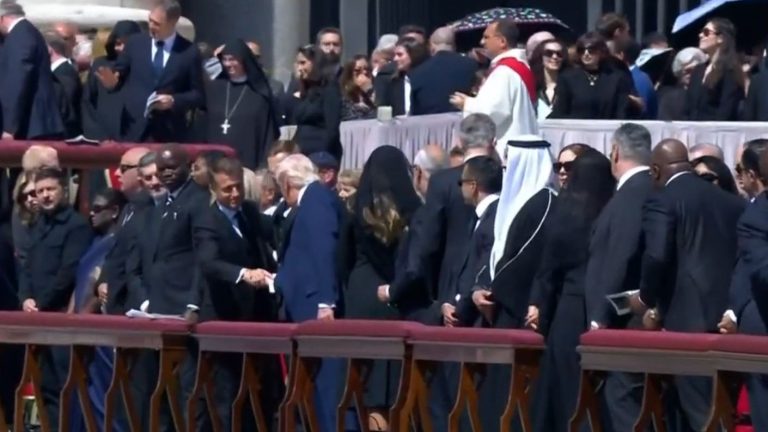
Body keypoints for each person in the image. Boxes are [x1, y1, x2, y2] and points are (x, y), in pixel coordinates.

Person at [632, 139, 745, 431]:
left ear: (655, 170)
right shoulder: (730, 202)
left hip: (686, 320)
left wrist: (645, 299)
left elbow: (656, 256)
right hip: (728, 317)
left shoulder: (662, 199)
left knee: (699, 413)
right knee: (721, 408)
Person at [528, 148, 616, 432]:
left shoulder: (566, 213)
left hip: (568, 311)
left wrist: (538, 306)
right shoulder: (611, 213)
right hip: (604, 310)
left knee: (565, 390)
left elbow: (548, 269)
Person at [472, 135, 555, 431]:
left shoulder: (545, 202)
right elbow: (495, 252)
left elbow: (526, 260)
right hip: (500, 310)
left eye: (510, 163)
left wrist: (496, 293)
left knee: (513, 398)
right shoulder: (513, 202)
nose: (506, 170)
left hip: (519, 311)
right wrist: (480, 289)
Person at [190, 156, 278, 431]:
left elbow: (273, 234)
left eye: (238, 186)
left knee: (260, 394)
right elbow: (209, 262)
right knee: (226, 394)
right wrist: (243, 274)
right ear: (213, 189)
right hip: (224, 317)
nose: (235, 194)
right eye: (227, 189)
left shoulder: (249, 212)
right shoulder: (207, 220)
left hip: (256, 318)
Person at [338, 145, 421, 431]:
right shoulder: (413, 211)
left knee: (368, 387)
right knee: (394, 387)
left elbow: (342, 260)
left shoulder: (355, 211)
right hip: (394, 298)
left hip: (361, 295)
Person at [583, 123, 653, 431]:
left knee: (623, 406)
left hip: (625, 323)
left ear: (615, 152)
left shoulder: (632, 194)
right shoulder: (646, 189)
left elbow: (620, 259)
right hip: (630, 318)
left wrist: (602, 315)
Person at [273, 154, 344, 432]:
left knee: (325, 387)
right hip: (306, 303)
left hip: (316, 305)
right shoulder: (312, 200)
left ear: (287, 183)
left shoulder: (316, 200)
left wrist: (326, 302)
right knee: (313, 388)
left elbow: (323, 250)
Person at [20, 167, 93, 432]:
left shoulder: (76, 226)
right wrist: (25, 298)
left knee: (67, 385)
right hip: (38, 320)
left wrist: (41, 303)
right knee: (45, 386)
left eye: (50, 189)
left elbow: (68, 272)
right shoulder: (37, 224)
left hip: (62, 317)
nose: (45, 195)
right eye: (40, 191)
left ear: (63, 190)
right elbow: (27, 267)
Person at [95, 0, 205, 142]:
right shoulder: (135, 43)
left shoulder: (189, 52)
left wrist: (173, 100)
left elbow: (198, 95)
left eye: (157, 24)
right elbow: (120, 72)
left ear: (172, 23)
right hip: (133, 128)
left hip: (168, 131)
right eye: (150, 21)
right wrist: (112, 82)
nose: (151, 26)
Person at [69, 188, 126, 432]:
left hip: (101, 334)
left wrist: (83, 320)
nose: (91, 213)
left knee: (105, 401)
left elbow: (97, 286)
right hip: (81, 332)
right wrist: (70, 319)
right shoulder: (94, 242)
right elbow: (80, 283)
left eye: (98, 208)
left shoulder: (118, 243)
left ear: (114, 211)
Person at [449, 19, 538, 161]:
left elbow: (493, 112)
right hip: (525, 145)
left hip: (508, 150)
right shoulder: (520, 66)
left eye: (486, 37)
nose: (481, 42)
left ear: (502, 41)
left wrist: (466, 103)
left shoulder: (505, 71)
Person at [205, 39, 279, 169]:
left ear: (244, 60)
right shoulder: (214, 88)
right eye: (225, 59)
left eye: (232, 59)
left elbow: (266, 133)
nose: (228, 64)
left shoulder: (259, 92)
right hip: (215, 161)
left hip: (247, 162)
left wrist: (263, 166)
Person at [0, 1, 64, 140]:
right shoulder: (26, 32)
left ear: (2, 18)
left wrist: (9, 126)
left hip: (32, 124)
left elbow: (17, 79)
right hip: (33, 122)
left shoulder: (20, 36)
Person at [453, 156, 502, 326]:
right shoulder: (482, 215)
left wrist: (460, 310)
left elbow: (479, 267)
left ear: (473, 186)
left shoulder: (492, 218)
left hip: (477, 317)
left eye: (461, 182)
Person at [549, 32, 633, 120]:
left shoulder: (617, 78)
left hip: (607, 127)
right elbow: (560, 111)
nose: (586, 53)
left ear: (601, 52)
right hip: (576, 127)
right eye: (582, 50)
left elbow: (621, 112)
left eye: (591, 50)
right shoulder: (567, 78)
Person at [81, 20, 142, 141]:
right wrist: (98, 135)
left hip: (135, 137)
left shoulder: (144, 66)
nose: (122, 48)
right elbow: (88, 102)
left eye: (128, 44)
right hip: (103, 137)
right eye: (118, 43)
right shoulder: (101, 64)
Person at [685, 18, 745, 121]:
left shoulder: (730, 71)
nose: (700, 35)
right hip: (692, 129)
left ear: (720, 38)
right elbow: (687, 107)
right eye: (701, 32)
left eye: (706, 32)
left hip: (716, 129)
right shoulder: (698, 70)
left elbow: (726, 111)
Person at [409, 27, 477, 115]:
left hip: (429, 121)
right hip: (464, 120)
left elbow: (413, 109)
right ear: (454, 45)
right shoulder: (471, 65)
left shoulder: (417, 72)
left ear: (431, 45)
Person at [293, 46, 343, 160]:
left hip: (321, 152)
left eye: (303, 63)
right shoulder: (306, 90)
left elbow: (332, 128)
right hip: (302, 152)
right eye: (297, 63)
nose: (299, 68)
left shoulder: (330, 88)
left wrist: (322, 155)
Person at [376, 37, 429, 116]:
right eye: (395, 55)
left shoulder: (426, 79)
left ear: (413, 55)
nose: (395, 59)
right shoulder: (391, 81)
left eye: (400, 55)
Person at [46, 32, 83, 139]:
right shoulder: (61, 71)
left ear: (49, 49)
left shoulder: (65, 72)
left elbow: (65, 103)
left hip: (64, 134)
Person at [529, 39, 568, 120]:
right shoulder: (531, 86)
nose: (555, 57)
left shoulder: (570, 86)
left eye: (559, 54)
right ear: (540, 56)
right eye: (549, 53)